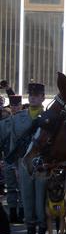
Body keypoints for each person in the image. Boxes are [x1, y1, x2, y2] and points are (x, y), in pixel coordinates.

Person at [13, 83, 48, 234]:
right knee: (27, 199)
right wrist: (15, 167)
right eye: (31, 95)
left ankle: (42, 233)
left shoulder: (48, 118)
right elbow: (13, 143)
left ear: (42, 97)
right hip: (24, 163)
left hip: (42, 163)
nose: (33, 97)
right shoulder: (18, 118)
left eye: (37, 95)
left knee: (41, 199)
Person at [1, 94, 23, 224]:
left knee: (22, 188)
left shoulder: (26, 120)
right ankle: (13, 213)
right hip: (8, 158)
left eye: (17, 105)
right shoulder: (4, 124)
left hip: (22, 159)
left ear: (21, 105)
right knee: (10, 188)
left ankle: (22, 212)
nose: (15, 108)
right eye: (13, 105)